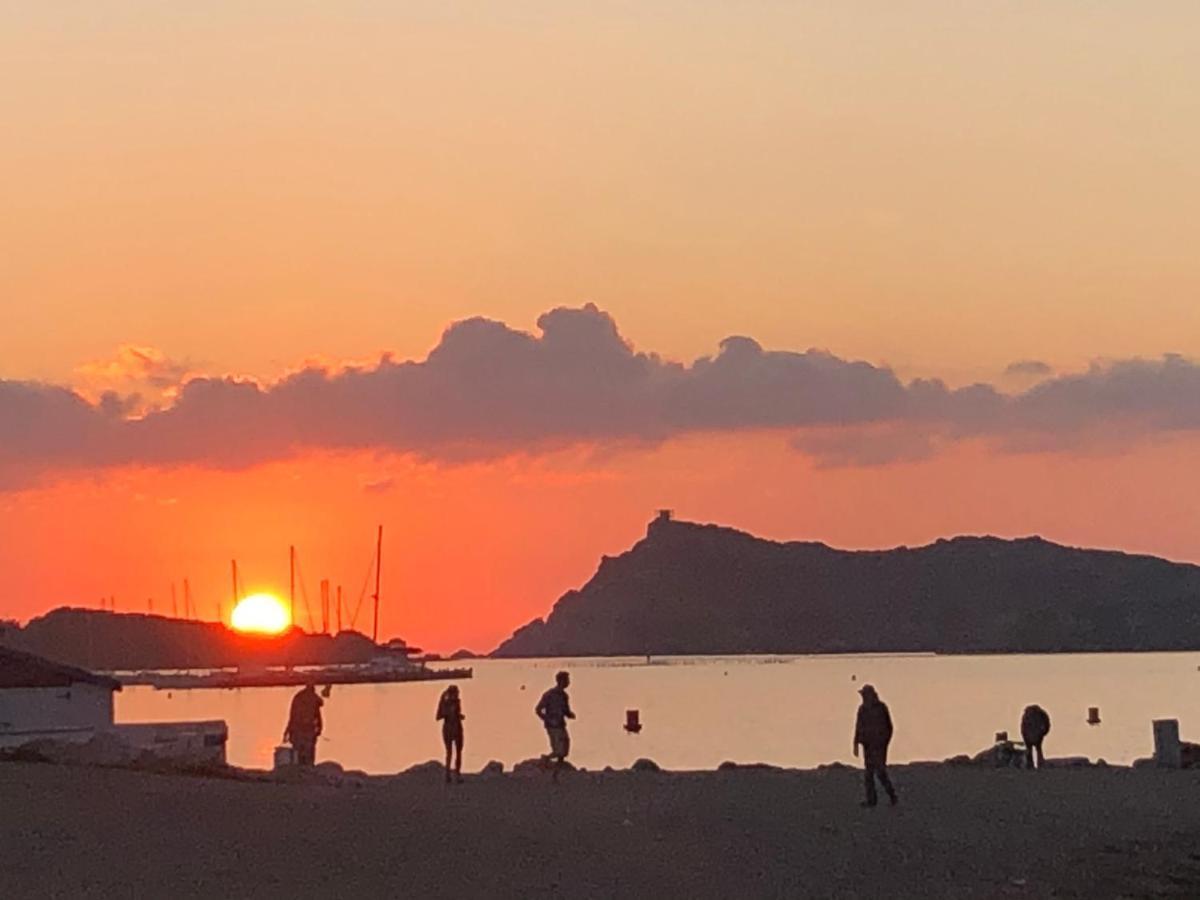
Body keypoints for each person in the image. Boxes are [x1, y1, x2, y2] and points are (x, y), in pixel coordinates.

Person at [853, 684, 897, 807]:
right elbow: (858, 727)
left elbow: (889, 727)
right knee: (869, 774)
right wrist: (856, 743)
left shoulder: (881, 708)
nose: (863, 697)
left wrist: (884, 741)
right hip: (867, 745)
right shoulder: (862, 709)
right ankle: (871, 800)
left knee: (880, 772)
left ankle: (892, 795)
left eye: (864, 695)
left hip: (879, 745)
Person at [535, 670, 575, 781]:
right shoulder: (549, 695)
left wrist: (570, 714)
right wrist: (547, 719)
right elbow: (538, 710)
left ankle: (560, 767)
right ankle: (545, 760)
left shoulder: (564, 696)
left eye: (568, 680)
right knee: (558, 749)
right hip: (552, 726)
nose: (568, 682)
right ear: (560, 681)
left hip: (561, 724)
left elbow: (566, 710)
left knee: (565, 746)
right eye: (566, 680)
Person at [284, 682, 324, 766]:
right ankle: (305, 767)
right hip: (302, 730)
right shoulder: (306, 698)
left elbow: (292, 716)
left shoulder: (299, 697)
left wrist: (288, 731)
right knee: (304, 751)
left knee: (304, 751)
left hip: (305, 730)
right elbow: (293, 716)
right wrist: (320, 728)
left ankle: (304, 767)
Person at [436, 684, 465, 783]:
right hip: (449, 729)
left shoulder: (457, 702)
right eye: (456, 693)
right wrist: (447, 712)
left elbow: (457, 714)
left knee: (458, 752)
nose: (457, 695)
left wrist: (459, 716)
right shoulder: (445, 703)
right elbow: (438, 716)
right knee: (449, 752)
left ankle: (457, 774)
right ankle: (448, 775)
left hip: (457, 728)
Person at [1020, 704, 1051, 770]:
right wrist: (1043, 733)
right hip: (1037, 735)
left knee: (1030, 750)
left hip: (1030, 736)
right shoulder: (1041, 714)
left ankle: (1030, 765)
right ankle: (1039, 765)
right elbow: (1047, 724)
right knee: (1038, 750)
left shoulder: (1027, 716)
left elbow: (1022, 728)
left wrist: (1025, 736)